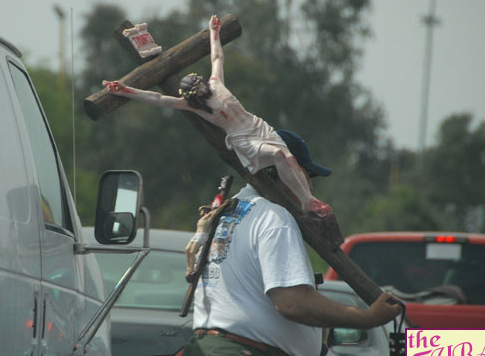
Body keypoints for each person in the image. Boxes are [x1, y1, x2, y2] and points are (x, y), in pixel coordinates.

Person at [177, 171, 402, 356]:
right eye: (305, 175)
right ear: (281, 173)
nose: (310, 187)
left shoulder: (227, 212)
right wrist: (367, 317)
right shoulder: (274, 217)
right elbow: (291, 302)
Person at [103, 14, 331, 218]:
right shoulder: (194, 106)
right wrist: (126, 90)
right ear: (194, 96)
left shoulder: (215, 83)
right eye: (199, 91)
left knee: (289, 158)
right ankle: (305, 202)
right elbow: (159, 99)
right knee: (280, 154)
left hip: (258, 126)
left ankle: (307, 199)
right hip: (244, 138)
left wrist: (214, 32)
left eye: (202, 85)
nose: (204, 90)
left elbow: (217, 58)